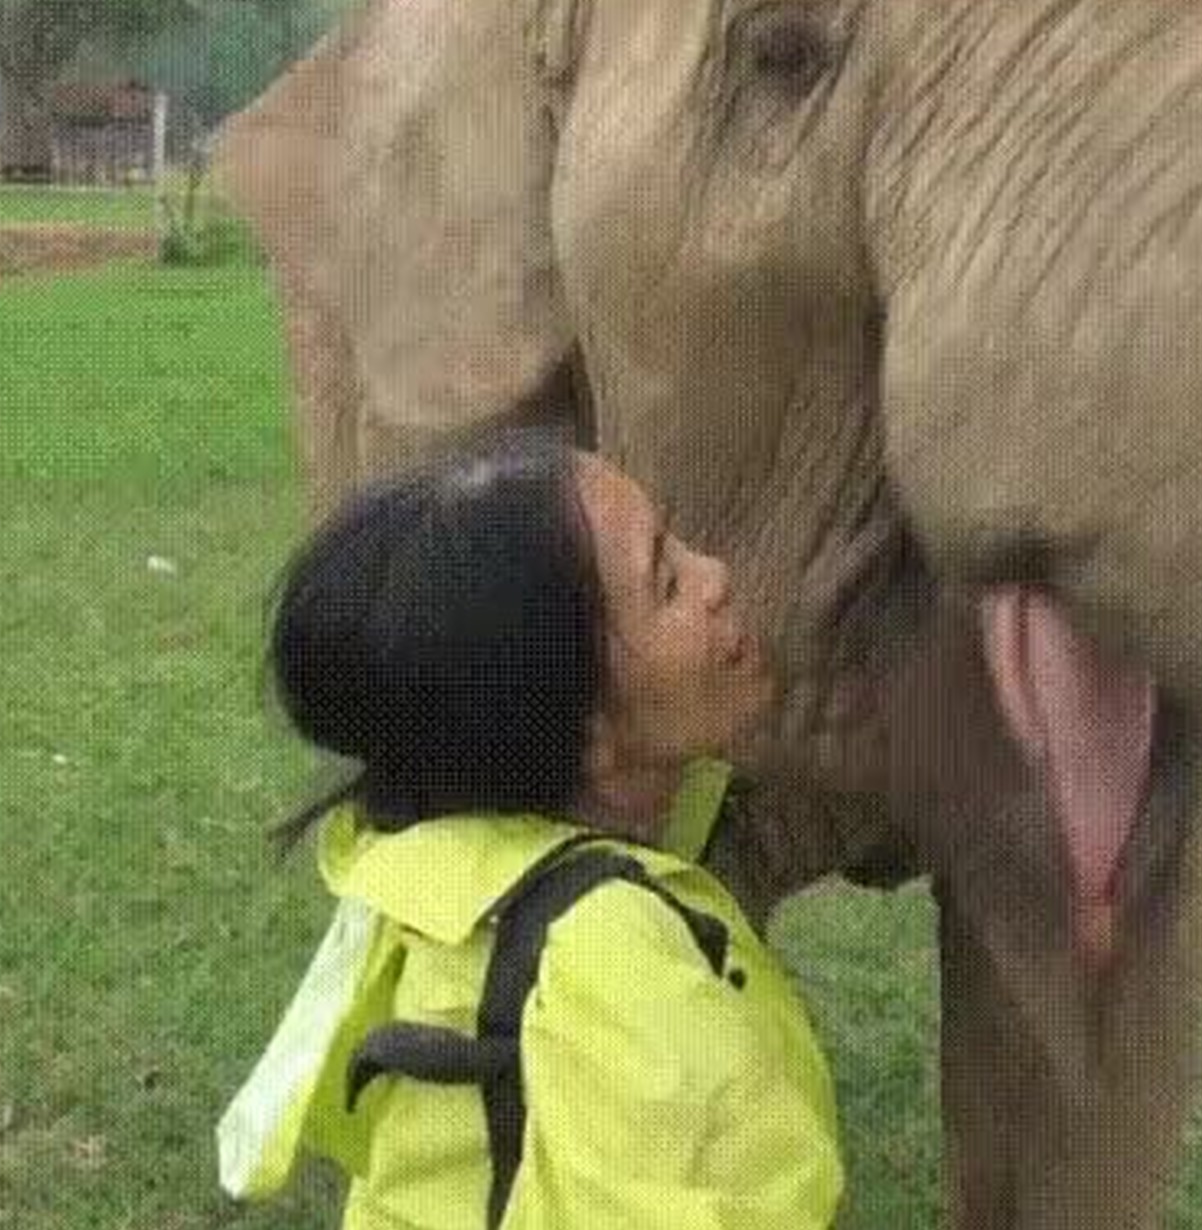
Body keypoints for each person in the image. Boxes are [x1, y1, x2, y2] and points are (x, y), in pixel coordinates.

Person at [215, 425, 844, 1229]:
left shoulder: (441, 880)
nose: (716, 576)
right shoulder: (608, 956)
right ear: (586, 732)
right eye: (666, 582)